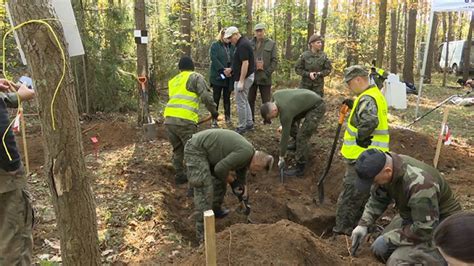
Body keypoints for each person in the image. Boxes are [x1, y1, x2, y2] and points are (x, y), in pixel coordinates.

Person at [350, 149, 462, 265]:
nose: (374, 184)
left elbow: (425, 228)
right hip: (415, 215)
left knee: (396, 261)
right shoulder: (389, 168)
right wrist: (363, 224)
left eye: (374, 181)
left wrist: (390, 238)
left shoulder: (420, 183)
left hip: (442, 226)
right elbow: (378, 198)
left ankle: (441, 257)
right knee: (379, 249)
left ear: (387, 171)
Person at [184, 129, 273, 242]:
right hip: (196, 149)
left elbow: (241, 177)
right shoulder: (244, 153)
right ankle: (202, 234)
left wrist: (243, 196)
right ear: (257, 164)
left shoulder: (248, 155)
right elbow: (219, 169)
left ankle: (215, 210)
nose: (255, 173)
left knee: (220, 182)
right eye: (258, 170)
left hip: (209, 153)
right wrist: (232, 182)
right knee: (205, 188)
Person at [333, 65, 390, 236]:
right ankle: (359, 225)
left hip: (359, 156)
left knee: (350, 196)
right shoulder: (373, 94)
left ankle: (342, 231)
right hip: (373, 157)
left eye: (349, 83)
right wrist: (355, 108)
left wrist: (361, 138)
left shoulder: (367, 99)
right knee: (363, 194)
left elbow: (370, 120)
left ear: (358, 79)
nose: (348, 87)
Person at [164, 56, 218, 185]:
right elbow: (205, 96)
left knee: (178, 149)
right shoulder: (195, 77)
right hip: (185, 121)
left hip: (169, 120)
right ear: (193, 66)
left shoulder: (173, 81)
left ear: (179, 68)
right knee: (192, 152)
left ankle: (179, 175)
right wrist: (214, 111)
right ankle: (194, 184)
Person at [0, 78, 35, 265]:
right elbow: (2, 132)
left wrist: (14, 97)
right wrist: (13, 167)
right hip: (5, 177)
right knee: (14, 248)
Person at [260, 89, 325, 177]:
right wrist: (284, 125)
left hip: (317, 106)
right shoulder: (276, 95)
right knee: (289, 126)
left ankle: (300, 168)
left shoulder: (285, 113)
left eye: (272, 117)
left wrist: (281, 156)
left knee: (302, 137)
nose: (273, 119)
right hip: (305, 102)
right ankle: (296, 143)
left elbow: (285, 136)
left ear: (274, 111)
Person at [224, 26, 255, 135]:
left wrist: (241, 81)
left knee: (240, 102)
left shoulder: (243, 45)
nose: (229, 40)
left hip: (245, 77)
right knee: (244, 100)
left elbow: (245, 63)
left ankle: (242, 126)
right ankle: (249, 123)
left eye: (230, 38)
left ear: (236, 35)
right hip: (244, 76)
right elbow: (239, 62)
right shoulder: (241, 44)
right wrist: (231, 69)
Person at [248, 23, 277, 123]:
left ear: (264, 31)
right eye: (257, 31)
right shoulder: (249, 43)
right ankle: (250, 119)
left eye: (261, 30)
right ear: (254, 32)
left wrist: (267, 73)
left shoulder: (271, 44)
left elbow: (274, 61)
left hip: (265, 76)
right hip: (252, 76)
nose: (259, 33)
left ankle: (267, 119)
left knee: (266, 101)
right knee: (250, 99)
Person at [209, 28, 235, 127]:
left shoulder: (232, 47)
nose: (227, 38)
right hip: (218, 76)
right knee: (216, 98)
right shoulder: (215, 45)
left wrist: (230, 69)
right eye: (225, 35)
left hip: (229, 76)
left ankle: (228, 117)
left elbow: (235, 59)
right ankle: (214, 119)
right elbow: (214, 58)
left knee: (227, 98)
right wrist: (223, 69)